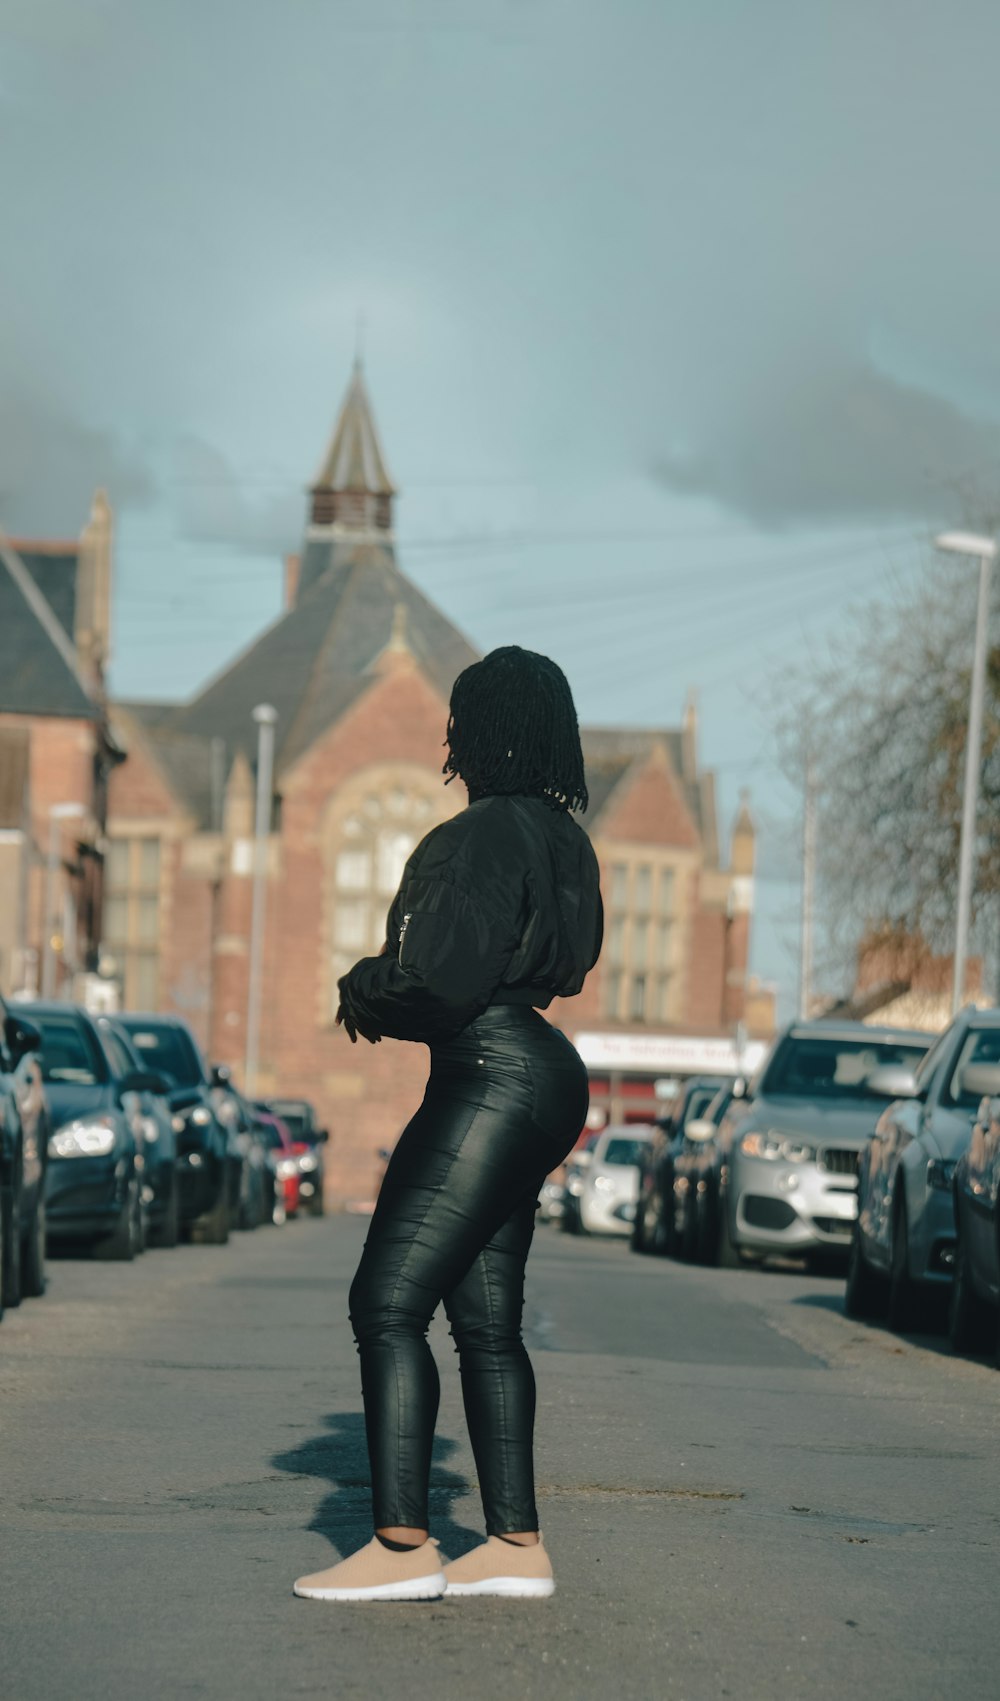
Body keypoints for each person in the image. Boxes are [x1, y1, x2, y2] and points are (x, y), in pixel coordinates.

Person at [293, 645, 603, 1603]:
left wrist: (363, 985)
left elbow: (437, 979)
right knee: (486, 1322)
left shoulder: (476, 837)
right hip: (547, 1073)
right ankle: (514, 1545)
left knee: (385, 1301)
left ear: (481, 733)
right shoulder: (565, 840)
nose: (451, 741)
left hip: (489, 1074)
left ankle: (400, 1548)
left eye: (460, 723)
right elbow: (566, 962)